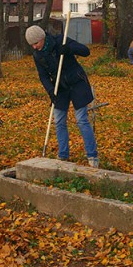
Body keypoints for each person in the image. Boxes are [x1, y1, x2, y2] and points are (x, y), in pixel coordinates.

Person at [25, 25, 99, 168]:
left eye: (36, 43)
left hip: (77, 82)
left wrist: (70, 49)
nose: (34, 47)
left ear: (42, 38)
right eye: (32, 45)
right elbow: (43, 76)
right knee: (59, 121)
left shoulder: (60, 40)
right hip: (60, 87)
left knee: (81, 120)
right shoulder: (38, 55)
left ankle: (92, 156)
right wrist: (50, 90)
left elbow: (86, 51)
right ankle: (63, 155)